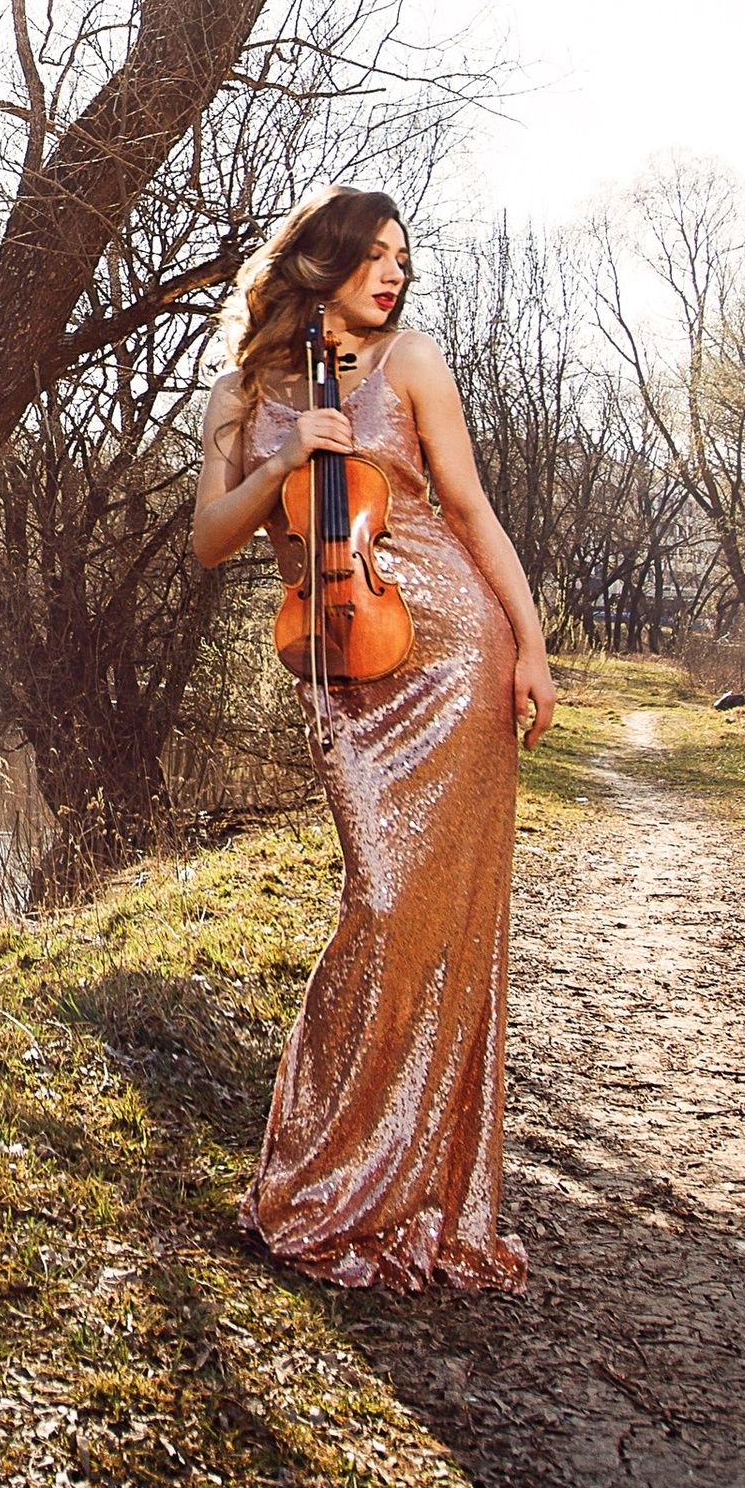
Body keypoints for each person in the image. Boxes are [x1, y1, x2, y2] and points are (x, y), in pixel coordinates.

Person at [191, 185, 556, 1292]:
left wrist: (532, 648)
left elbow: (469, 509)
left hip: (453, 650)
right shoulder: (238, 391)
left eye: (403, 258)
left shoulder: (413, 361)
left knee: (434, 915)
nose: (395, 274)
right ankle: (330, 1169)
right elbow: (211, 541)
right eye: (376, 256)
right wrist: (280, 463)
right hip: (339, 657)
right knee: (380, 901)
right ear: (323, 261)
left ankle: (415, 1187)